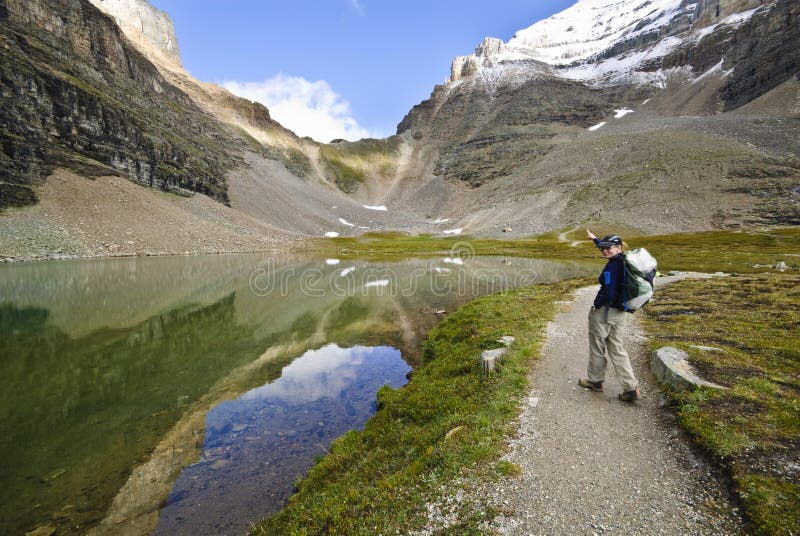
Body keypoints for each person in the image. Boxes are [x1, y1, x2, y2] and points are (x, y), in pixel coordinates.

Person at [578, 229, 641, 402]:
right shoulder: (625, 260)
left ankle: (595, 382)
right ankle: (631, 388)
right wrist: (595, 240)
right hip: (621, 312)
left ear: (619, 247)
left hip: (605, 312)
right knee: (617, 348)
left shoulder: (612, 267)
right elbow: (607, 249)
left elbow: (609, 293)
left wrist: (595, 306)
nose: (605, 251)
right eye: (603, 248)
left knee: (597, 346)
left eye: (609, 248)